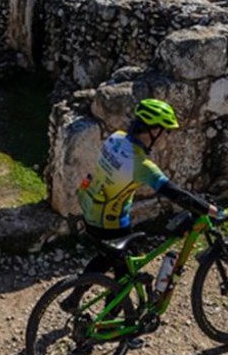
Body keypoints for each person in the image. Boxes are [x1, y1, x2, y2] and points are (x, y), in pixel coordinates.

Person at [77, 98, 218, 276]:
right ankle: (115, 302)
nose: (167, 136)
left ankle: (75, 295)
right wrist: (211, 210)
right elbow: (175, 193)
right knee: (125, 273)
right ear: (154, 130)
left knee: (107, 258)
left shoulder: (116, 138)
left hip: (90, 207)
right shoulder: (141, 166)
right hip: (111, 222)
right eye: (165, 131)